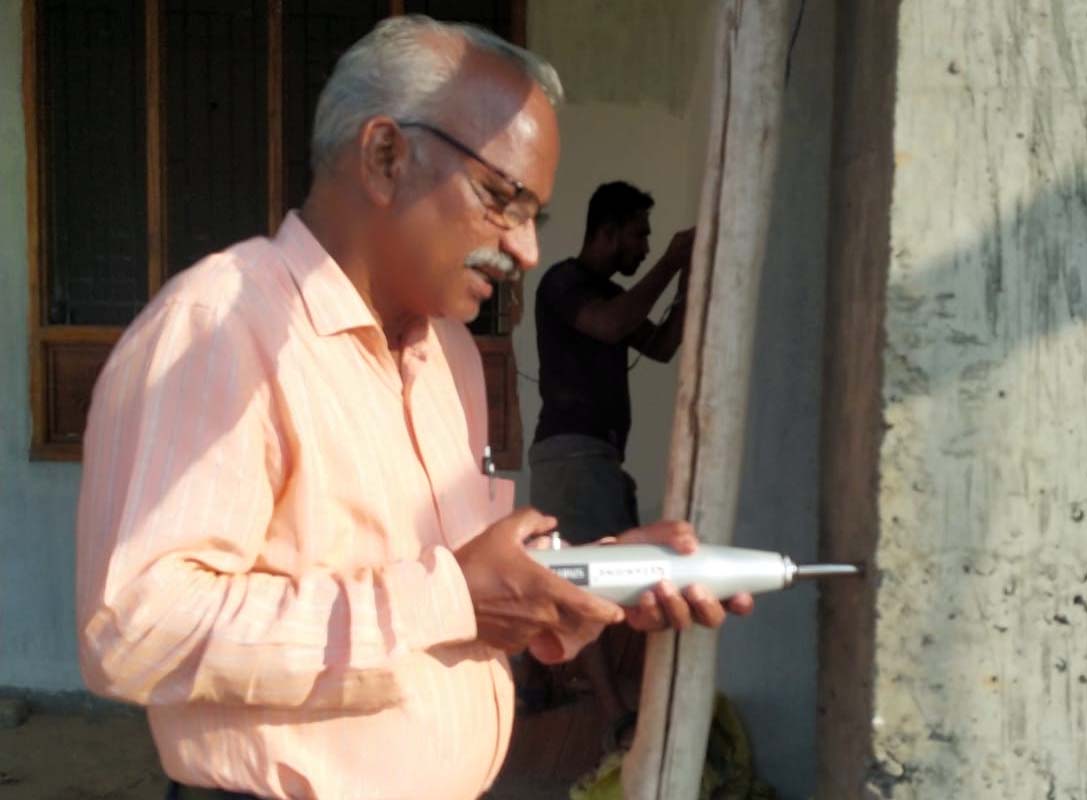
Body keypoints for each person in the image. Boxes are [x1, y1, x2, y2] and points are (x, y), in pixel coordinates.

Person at [74, 17, 750, 800]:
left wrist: (587, 583)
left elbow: (452, 603)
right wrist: (450, 596)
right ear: (386, 157)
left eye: (536, 217)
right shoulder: (221, 328)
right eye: (502, 199)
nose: (527, 250)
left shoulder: (449, 355)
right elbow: (135, 629)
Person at [528, 181, 694, 746]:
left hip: (592, 454)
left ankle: (538, 682)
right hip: (573, 453)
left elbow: (662, 345)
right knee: (592, 580)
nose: (645, 246)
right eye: (639, 235)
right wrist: (671, 260)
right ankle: (616, 717)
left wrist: (688, 278)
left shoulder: (608, 292)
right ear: (607, 231)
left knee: (588, 575)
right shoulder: (563, 283)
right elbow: (612, 325)